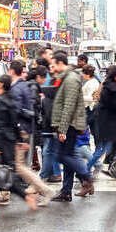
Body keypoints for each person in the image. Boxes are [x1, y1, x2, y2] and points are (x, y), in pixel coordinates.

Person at [0, 75, 39, 215]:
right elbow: (14, 122)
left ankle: (25, 196)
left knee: (4, 175)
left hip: (1, 143)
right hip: (7, 142)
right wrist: (20, 140)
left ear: (1, 85)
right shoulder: (8, 100)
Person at [49, 51, 94, 201]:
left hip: (70, 125)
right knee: (68, 157)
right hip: (68, 124)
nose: (52, 68)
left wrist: (62, 129)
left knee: (63, 156)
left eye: (53, 65)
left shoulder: (71, 79)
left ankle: (87, 177)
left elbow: (69, 106)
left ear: (61, 63)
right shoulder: (66, 78)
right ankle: (66, 191)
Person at [9, 60, 54, 205]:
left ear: (11, 71)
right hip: (23, 129)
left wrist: (18, 132)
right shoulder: (24, 86)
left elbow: (15, 111)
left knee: (20, 166)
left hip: (20, 130)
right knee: (16, 165)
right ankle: (3, 194)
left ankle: (44, 189)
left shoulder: (17, 88)